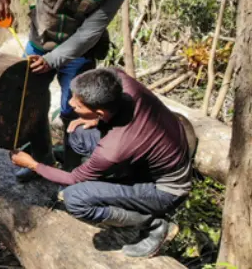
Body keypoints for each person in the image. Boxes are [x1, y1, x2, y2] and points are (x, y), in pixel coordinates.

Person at [0, 0, 138, 178]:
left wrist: (53, 60)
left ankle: (72, 168)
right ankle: (38, 161)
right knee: (31, 104)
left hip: (77, 55)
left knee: (75, 111)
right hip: (38, 44)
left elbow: (89, 34)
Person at [10, 68, 193, 258]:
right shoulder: (120, 82)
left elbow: (73, 179)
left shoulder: (114, 149)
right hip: (154, 152)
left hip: (165, 190)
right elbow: (109, 72)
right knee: (78, 134)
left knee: (75, 199)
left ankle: (152, 224)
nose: (71, 103)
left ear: (99, 110)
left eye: (79, 105)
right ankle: (102, 179)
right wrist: (92, 119)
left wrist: (33, 164)